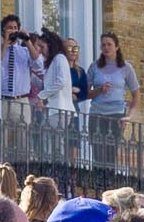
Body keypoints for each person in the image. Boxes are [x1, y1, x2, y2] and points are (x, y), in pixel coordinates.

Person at [85, 33, 136, 163]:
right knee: (97, 150)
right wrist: (100, 90)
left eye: (109, 44)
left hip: (116, 113)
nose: (106, 47)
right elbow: (85, 93)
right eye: (103, 45)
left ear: (117, 47)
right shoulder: (94, 67)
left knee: (111, 151)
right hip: (97, 113)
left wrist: (129, 116)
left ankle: (109, 180)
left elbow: (137, 94)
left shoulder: (126, 67)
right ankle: (97, 180)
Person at [38, 30, 75, 126]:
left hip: (59, 109)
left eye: (42, 47)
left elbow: (61, 81)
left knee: (56, 139)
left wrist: (41, 95)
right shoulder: (52, 62)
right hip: (53, 109)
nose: (40, 50)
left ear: (50, 46)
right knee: (48, 138)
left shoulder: (60, 58)